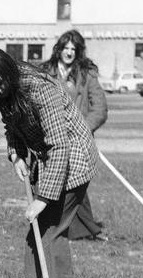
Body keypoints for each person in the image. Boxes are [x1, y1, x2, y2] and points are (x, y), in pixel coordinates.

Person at [0, 47, 99, 278]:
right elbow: (12, 121)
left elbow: (59, 145)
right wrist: (15, 154)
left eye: (1, 83)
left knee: (48, 236)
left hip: (73, 160)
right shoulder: (2, 91)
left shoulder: (40, 89)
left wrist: (43, 199)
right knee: (41, 238)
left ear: (9, 72)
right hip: (51, 160)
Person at [41, 30, 108, 240]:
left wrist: (83, 130)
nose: (69, 52)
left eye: (73, 49)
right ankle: (63, 226)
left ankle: (83, 229)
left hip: (78, 140)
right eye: (66, 48)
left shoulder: (86, 74)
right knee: (57, 179)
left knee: (77, 182)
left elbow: (100, 108)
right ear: (59, 49)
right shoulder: (47, 72)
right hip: (52, 139)